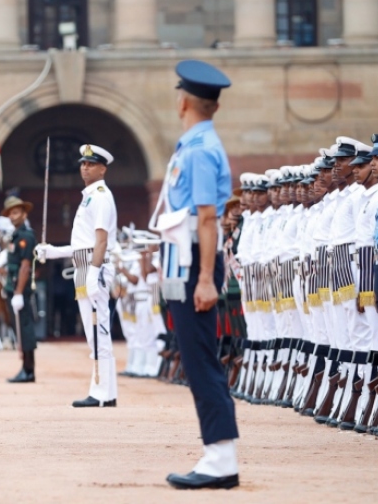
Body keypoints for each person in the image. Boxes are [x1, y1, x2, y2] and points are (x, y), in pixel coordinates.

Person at [156, 60, 239, 490]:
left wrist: (206, 278)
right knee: (193, 357)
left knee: (202, 358)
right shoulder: (192, 145)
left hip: (194, 264)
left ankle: (221, 457)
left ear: (184, 101)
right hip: (182, 261)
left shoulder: (202, 149)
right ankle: (216, 452)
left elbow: (208, 218)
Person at [36, 144, 119, 407]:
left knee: (99, 333)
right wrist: (52, 252)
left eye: (91, 164)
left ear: (103, 168)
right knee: (92, 334)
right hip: (83, 268)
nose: (85, 167)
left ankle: (103, 393)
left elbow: (101, 241)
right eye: (83, 163)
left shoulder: (102, 195)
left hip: (95, 269)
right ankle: (103, 390)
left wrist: (94, 273)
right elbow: (82, 244)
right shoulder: (89, 197)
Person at [1, 195, 38, 383]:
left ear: (24, 214)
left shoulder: (26, 236)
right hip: (13, 287)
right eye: (10, 213)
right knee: (20, 330)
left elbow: (25, 266)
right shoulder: (14, 236)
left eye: (16, 212)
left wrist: (18, 293)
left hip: (20, 289)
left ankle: (29, 370)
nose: (13, 216)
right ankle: (25, 368)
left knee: (25, 329)